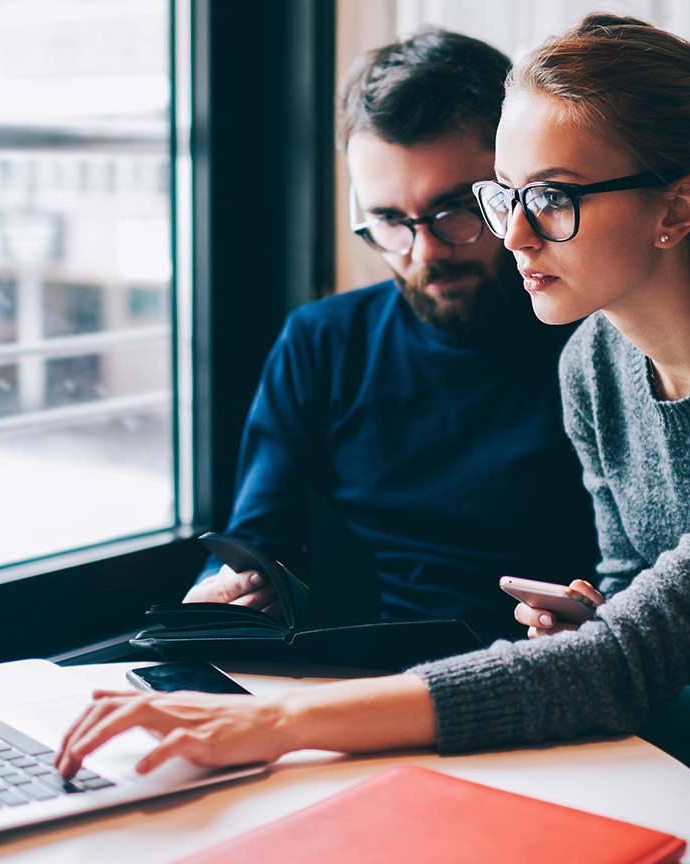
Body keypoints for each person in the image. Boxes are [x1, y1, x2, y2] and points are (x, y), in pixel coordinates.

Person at [61, 14, 690, 863]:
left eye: (551, 197)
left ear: (677, 210)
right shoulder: (593, 365)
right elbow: (631, 607)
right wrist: (592, 612)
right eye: (502, 195)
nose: (513, 234)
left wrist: (278, 723)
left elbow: (636, 661)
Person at [182, 29, 597, 640]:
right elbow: (254, 540)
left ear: (517, 186)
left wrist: (599, 627)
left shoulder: (604, 351)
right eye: (388, 221)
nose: (425, 252)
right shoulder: (323, 340)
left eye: (456, 209)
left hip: (532, 678)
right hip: (347, 675)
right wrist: (224, 590)